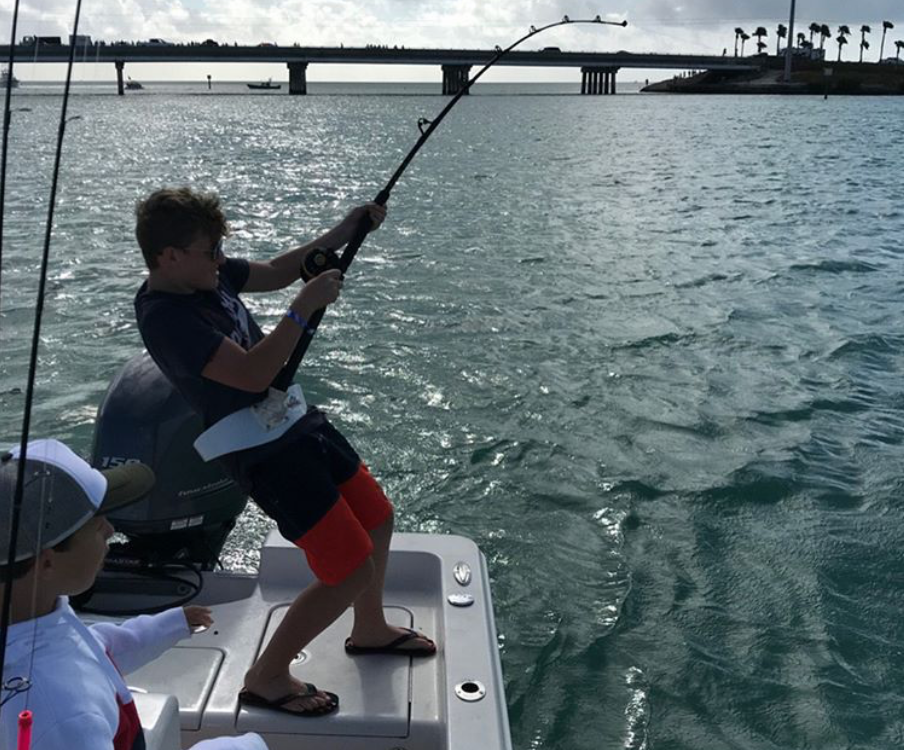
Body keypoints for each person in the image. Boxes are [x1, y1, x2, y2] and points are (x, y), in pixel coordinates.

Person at [133, 188, 435, 717]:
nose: (221, 259)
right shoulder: (166, 317)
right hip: (258, 450)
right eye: (211, 250)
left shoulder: (208, 274)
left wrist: (346, 231)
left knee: (377, 518)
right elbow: (253, 372)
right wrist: (301, 310)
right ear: (169, 257)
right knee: (349, 567)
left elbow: (276, 268)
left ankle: (368, 628)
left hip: (290, 419)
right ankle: (266, 675)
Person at [0, 438, 267, 750]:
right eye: (98, 525)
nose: (111, 531)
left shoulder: (38, 615)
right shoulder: (66, 715)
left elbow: (94, 649)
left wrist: (167, 625)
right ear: (47, 562)